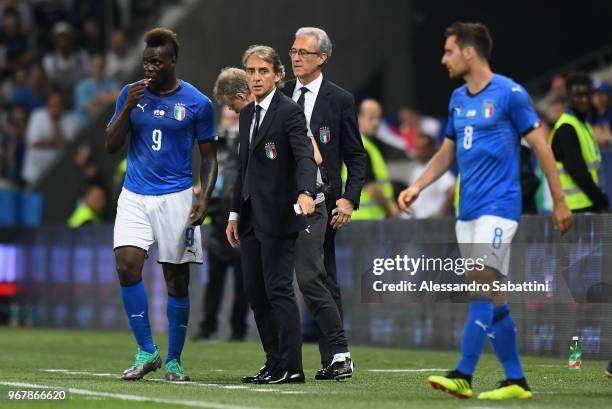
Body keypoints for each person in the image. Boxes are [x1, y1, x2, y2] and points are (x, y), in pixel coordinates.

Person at [398, 22, 572, 400]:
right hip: (468, 211)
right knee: (492, 297)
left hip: (499, 208)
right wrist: (417, 186)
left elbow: (542, 147)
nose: (443, 59)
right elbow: (447, 152)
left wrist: (559, 199)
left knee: (479, 284)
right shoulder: (458, 98)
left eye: (448, 51)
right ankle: (516, 380)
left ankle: (463, 372)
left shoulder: (511, 94)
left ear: (469, 52)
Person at [105, 27, 218, 382]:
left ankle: (173, 361)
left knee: (176, 280)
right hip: (135, 194)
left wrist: (204, 198)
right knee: (126, 267)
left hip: (176, 196)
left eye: (156, 61)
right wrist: (126, 107)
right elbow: (110, 145)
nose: (149, 68)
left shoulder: (198, 103)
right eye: (145, 61)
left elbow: (210, 157)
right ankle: (146, 351)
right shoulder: (131, 94)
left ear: (172, 61)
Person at [226, 45, 317, 385]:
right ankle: (274, 362)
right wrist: (234, 213)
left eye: (263, 71)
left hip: (279, 216)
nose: (256, 78)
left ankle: (292, 367)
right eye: (250, 71)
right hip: (249, 217)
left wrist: (306, 192)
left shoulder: (290, 112)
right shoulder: (247, 114)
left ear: (278, 75)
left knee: (278, 290)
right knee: (255, 291)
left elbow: (305, 156)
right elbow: (244, 169)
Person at [282, 27, 367, 375]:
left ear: (323, 57)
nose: (296, 57)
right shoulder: (281, 93)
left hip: (321, 201)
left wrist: (348, 199)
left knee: (321, 277)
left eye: (304, 52)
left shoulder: (340, 99)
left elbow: (356, 156)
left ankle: (335, 357)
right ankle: (287, 357)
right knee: (283, 278)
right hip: (282, 198)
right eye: (293, 51)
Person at [195, 74, 250, 342]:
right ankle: (207, 327)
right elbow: (208, 176)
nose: (230, 123)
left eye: (234, 118)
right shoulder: (214, 149)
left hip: (242, 218)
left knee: (243, 282)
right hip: (218, 221)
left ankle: (238, 329)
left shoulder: (247, 141)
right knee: (214, 281)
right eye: (226, 118)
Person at [549, 73, 608, 213]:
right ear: (568, 97)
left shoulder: (582, 125)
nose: (584, 100)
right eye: (578, 95)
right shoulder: (566, 127)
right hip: (576, 209)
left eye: (587, 95)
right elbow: (577, 171)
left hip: (586, 204)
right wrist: (601, 200)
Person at [349, 99, 399, 220]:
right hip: (365, 220)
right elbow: (373, 188)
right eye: (371, 118)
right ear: (358, 118)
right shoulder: (361, 147)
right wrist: (391, 210)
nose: (376, 123)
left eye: (378, 118)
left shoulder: (366, 145)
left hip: (360, 218)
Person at [21, 90, 77, 185]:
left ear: (62, 105)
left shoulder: (71, 120)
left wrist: (55, 123)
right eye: (52, 104)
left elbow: (68, 148)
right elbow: (33, 142)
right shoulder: (37, 116)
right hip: (34, 173)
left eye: (57, 104)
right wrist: (56, 143)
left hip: (57, 175)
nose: (55, 108)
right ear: (48, 105)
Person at [409, 132, 456, 218]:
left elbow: (452, 189)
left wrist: (442, 213)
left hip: (432, 221)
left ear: (431, 149)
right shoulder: (416, 169)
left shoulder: (436, 169)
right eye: (417, 148)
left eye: (422, 149)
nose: (418, 152)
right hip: (418, 220)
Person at [74, 54, 119, 127]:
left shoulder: (110, 83)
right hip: (85, 127)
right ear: (91, 67)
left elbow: (119, 97)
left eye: (101, 66)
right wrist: (109, 98)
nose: (98, 69)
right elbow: (90, 109)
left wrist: (100, 99)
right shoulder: (81, 86)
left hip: (106, 125)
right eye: (95, 66)